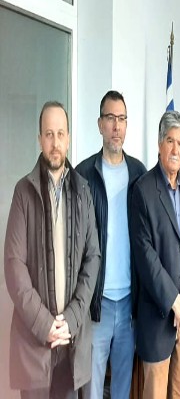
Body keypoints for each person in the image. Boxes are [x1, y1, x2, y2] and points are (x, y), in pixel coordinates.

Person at [4, 101, 101, 398]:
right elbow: (13, 265)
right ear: (39, 139)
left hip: (72, 344)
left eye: (60, 134)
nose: (55, 142)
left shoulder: (83, 191)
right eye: (49, 134)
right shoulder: (23, 192)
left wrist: (70, 320)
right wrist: (45, 324)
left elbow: (92, 258)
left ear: (68, 138)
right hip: (33, 344)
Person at [130, 110, 180, 399]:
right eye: (170, 141)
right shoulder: (143, 190)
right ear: (159, 143)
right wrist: (174, 301)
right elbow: (145, 257)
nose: (176, 150)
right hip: (157, 317)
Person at [76, 91, 146, 399]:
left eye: (121, 119)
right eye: (110, 118)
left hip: (129, 303)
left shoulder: (140, 175)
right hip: (96, 305)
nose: (116, 126)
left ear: (127, 124)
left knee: (122, 389)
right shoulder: (82, 175)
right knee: (92, 389)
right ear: (100, 124)